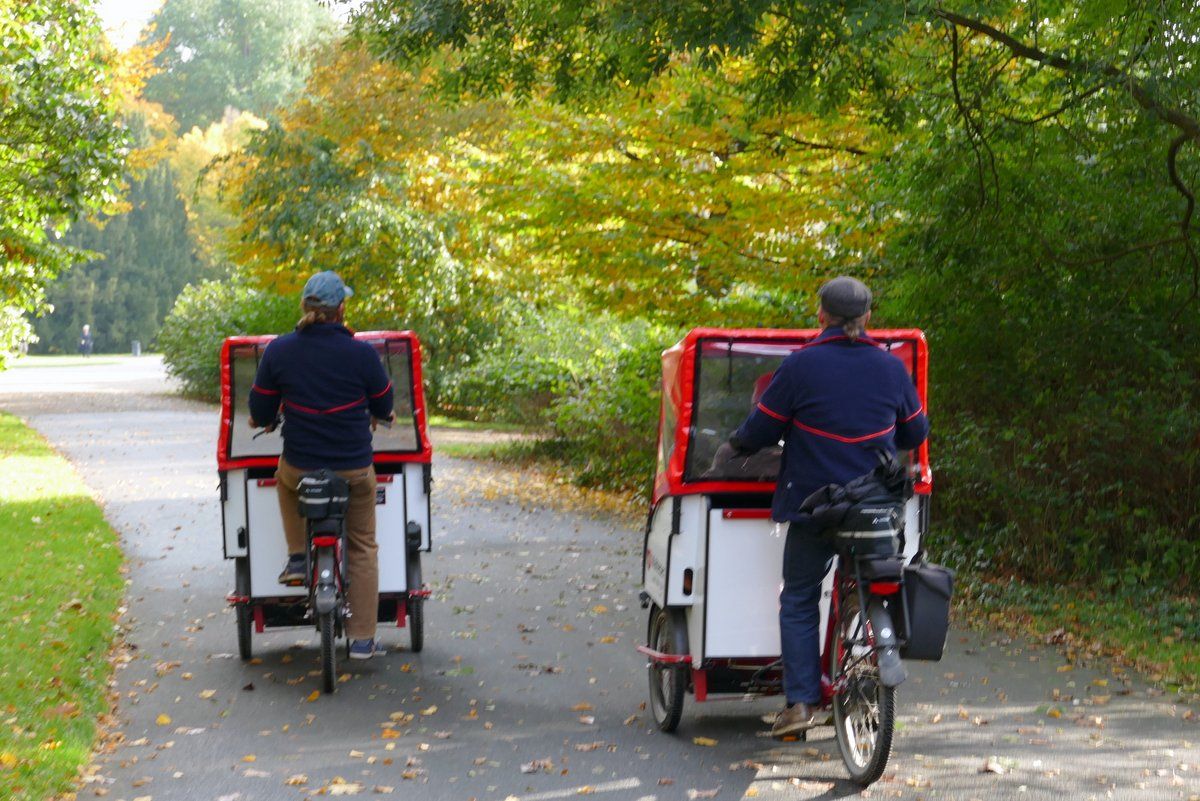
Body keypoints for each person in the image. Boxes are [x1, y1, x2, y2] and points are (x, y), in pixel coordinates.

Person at [722, 276, 929, 738]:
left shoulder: (801, 367)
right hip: (875, 505)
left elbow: (760, 429)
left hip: (814, 508)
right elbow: (916, 433)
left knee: (798, 598)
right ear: (868, 318)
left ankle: (799, 704)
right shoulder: (892, 368)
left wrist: (735, 446)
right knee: (875, 578)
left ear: (821, 316)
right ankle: (865, 635)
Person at [247, 271, 395, 660]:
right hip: (354, 469)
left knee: (284, 479)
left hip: (302, 465)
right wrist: (381, 413)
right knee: (362, 545)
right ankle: (363, 640)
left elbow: (260, 408)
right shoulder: (363, 354)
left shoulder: (280, 351)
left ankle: (298, 556)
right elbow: (384, 403)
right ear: (341, 310)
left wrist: (265, 418)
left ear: (305, 308)